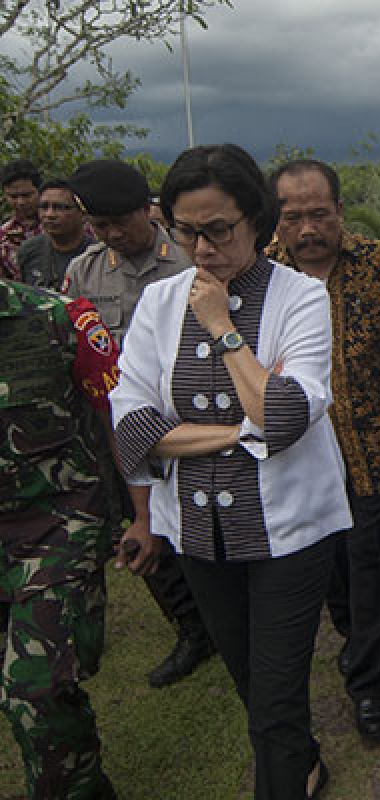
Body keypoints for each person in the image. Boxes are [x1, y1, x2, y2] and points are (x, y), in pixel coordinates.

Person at [109, 143, 352, 799]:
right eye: (186, 230)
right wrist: (239, 430)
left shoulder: (301, 298)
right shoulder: (159, 304)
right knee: (251, 681)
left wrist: (223, 329)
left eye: (219, 229)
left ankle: (285, 775)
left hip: (290, 532)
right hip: (197, 532)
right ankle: (303, 758)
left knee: (274, 699)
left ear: (258, 221)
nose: (203, 248)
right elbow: (132, 425)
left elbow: (285, 415)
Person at [266, 158, 380, 746]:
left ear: (338, 209)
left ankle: (370, 685)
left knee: (375, 566)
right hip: (300, 452)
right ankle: (355, 637)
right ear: (275, 220)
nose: (308, 229)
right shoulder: (264, 274)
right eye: (293, 217)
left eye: (319, 214)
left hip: (376, 442)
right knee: (328, 561)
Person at [64, 159, 216, 689]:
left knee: (199, 525)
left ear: (144, 212)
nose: (109, 235)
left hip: (190, 421)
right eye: (99, 226)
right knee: (143, 531)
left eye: (118, 223)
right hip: (121, 427)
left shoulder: (189, 260)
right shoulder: (86, 272)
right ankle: (190, 628)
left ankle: (221, 612)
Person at [0, 277, 141, 799]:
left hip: (56, 524)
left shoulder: (63, 321)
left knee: (36, 690)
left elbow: (117, 418)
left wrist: (141, 514)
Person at [17, 178, 95, 289]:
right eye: (44, 207)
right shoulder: (29, 251)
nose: (49, 215)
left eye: (60, 207)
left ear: (83, 214)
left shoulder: (96, 255)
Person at [1, 159, 42, 280]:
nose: (21, 202)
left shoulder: (60, 224)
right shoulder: (4, 235)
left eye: (27, 195)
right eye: (13, 197)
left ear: (39, 191)